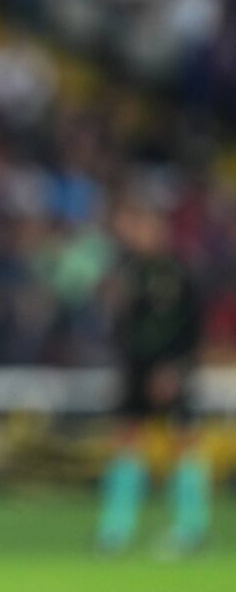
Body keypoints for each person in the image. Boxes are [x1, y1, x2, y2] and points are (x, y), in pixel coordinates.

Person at [95, 185, 210, 555]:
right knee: (127, 445)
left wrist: (176, 369)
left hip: (170, 373)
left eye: (145, 225)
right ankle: (116, 530)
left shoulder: (178, 273)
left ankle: (191, 529)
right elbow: (123, 328)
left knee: (183, 445)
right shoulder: (126, 271)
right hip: (135, 372)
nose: (138, 232)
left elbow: (192, 329)